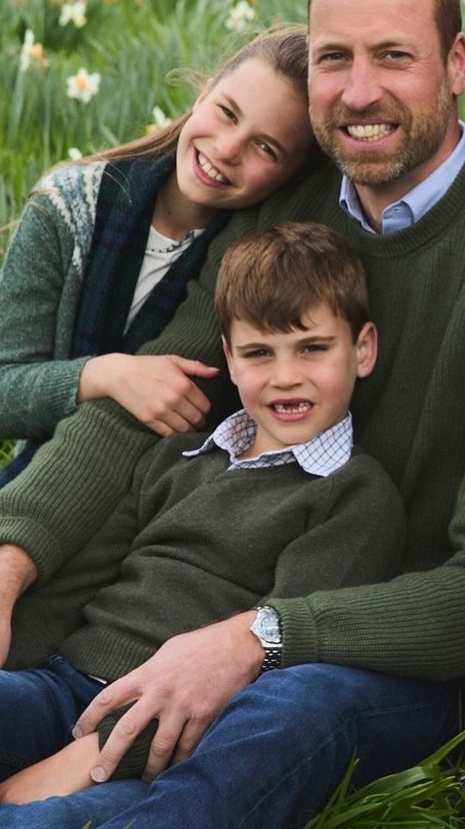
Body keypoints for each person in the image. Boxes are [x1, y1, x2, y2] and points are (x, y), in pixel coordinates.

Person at [0, 0, 465, 829]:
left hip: (379, 656)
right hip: (167, 632)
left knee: (283, 717)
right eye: (334, 58)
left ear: (454, 64)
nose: (358, 91)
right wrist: (12, 556)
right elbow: (146, 406)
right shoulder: (284, 208)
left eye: (393, 56)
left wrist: (260, 638)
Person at [0, 221, 404, 811]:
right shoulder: (178, 456)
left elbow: (268, 665)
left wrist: (86, 760)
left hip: (162, 749)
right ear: (230, 361)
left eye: (312, 348)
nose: (286, 375)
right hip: (63, 690)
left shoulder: (354, 497)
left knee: (53, 821)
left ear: (361, 349)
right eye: (259, 353)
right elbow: (76, 586)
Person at [0, 26, 317, 485]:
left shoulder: (264, 261)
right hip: (42, 485)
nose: (227, 150)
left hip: (170, 500)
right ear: (204, 92)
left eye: (265, 147)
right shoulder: (70, 209)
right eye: (227, 113)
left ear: (290, 177)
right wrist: (103, 376)